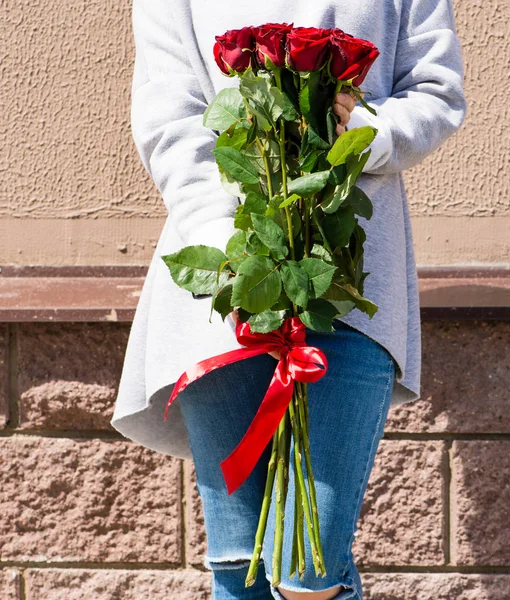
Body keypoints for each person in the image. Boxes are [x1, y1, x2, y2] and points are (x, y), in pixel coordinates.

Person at [111, 0, 467, 598]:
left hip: (354, 283)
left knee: (309, 568)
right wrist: (245, 258)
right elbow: (169, 117)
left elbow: (436, 89)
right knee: (237, 559)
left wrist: (357, 135)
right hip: (229, 287)